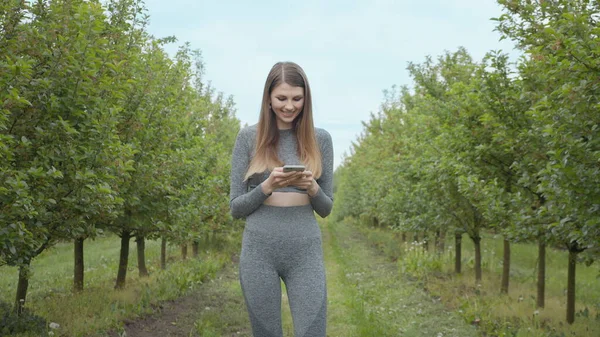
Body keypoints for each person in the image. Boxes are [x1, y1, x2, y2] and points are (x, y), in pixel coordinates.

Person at [229, 61, 333, 337]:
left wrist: (312, 188)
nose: (289, 106)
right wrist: (267, 186)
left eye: (297, 98)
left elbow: (326, 209)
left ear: (306, 99)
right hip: (259, 250)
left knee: (312, 331)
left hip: (305, 249)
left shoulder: (320, 139)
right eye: (282, 98)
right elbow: (236, 208)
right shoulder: (248, 138)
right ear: (268, 99)